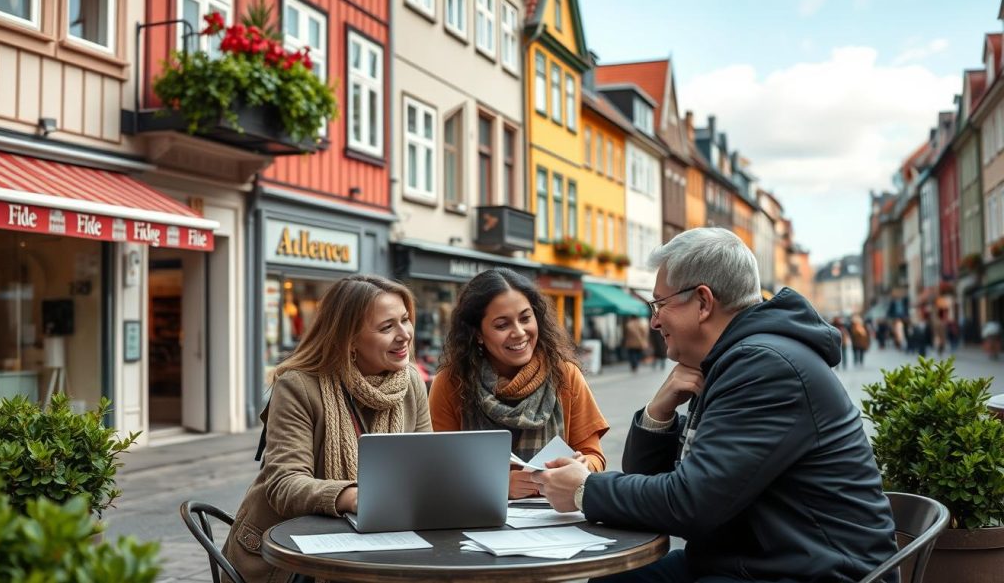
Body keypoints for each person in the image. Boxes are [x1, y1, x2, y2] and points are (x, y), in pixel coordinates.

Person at [530, 227, 897, 583]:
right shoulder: (737, 358)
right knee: (613, 579)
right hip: (756, 558)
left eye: (660, 304)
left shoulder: (766, 366)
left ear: (703, 302)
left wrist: (585, 489)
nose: (654, 321)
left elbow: (691, 504)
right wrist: (659, 412)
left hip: (809, 570)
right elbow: (658, 484)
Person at [221, 275, 431, 583]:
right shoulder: (298, 385)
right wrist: (353, 497)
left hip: (376, 546)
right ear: (348, 339)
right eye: (387, 327)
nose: (405, 335)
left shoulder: (411, 380)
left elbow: (425, 465)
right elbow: (284, 483)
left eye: (405, 320)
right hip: (289, 561)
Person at [427, 268, 609, 499]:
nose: (519, 332)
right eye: (502, 325)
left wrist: (583, 467)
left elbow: (595, 457)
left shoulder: (565, 374)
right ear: (478, 334)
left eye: (525, 318)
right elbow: (440, 467)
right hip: (479, 517)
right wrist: (498, 484)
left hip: (555, 520)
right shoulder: (451, 382)